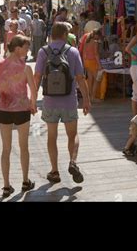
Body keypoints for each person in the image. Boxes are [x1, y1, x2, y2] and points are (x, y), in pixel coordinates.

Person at [34, 22, 91, 184]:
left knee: (52, 136)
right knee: (72, 135)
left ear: (52, 34)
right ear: (65, 35)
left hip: (50, 101)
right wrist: (86, 99)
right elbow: (81, 78)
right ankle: (73, 162)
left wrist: (32, 99)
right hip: (69, 101)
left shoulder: (43, 51)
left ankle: (54, 171)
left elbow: (37, 76)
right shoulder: (73, 51)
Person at [0, 35, 38, 198]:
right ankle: (25, 180)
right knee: (23, 146)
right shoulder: (26, 68)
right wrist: (33, 105)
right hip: (22, 108)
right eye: (26, 48)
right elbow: (33, 90)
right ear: (18, 48)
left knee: (6, 149)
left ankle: (6, 186)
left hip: (4, 108)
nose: (28, 51)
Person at [81, 29, 103, 103]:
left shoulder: (86, 41)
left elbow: (83, 52)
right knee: (96, 80)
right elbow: (96, 54)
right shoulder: (95, 42)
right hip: (92, 62)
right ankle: (93, 97)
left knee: (90, 80)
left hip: (86, 61)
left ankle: (89, 97)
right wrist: (99, 65)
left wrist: (84, 62)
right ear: (96, 35)